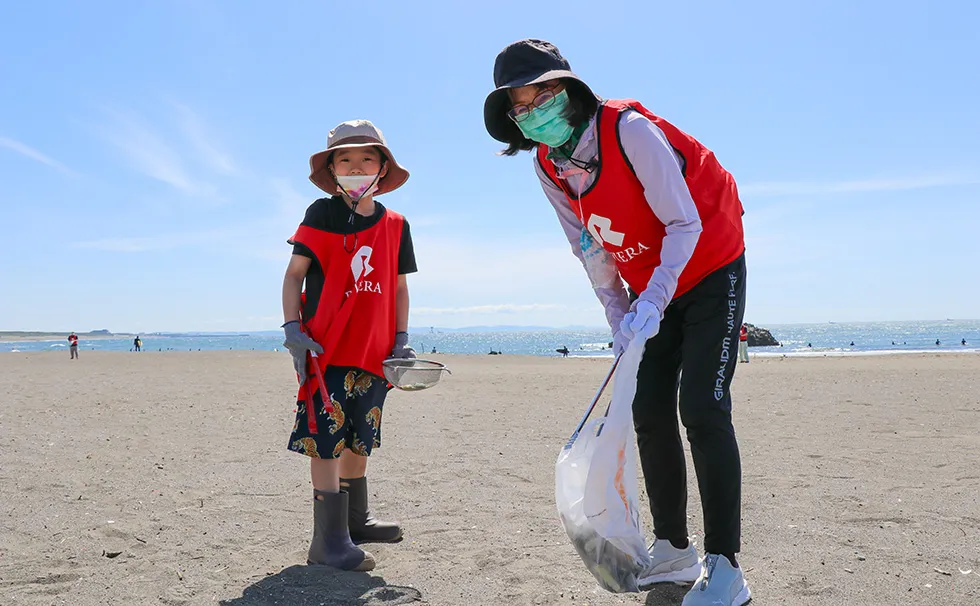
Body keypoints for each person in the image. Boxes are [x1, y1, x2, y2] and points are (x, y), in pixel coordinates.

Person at [484, 39, 750, 605]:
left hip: (709, 263)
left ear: (566, 89)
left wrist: (652, 300)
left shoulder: (628, 130)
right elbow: (590, 249)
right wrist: (619, 315)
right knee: (648, 410)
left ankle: (726, 567)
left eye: (539, 97)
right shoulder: (549, 165)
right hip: (649, 284)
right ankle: (674, 548)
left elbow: (684, 223)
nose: (530, 114)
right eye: (518, 106)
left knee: (702, 407)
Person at [281, 119, 418, 572]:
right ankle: (328, 540)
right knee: (326, 442)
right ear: (332, 169)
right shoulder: (320, 214)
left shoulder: (397, 225)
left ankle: (356, 522)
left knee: (361, 438)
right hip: (326, 352)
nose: (356, 166)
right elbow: (294, 275)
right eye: (345, 159)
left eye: (366, 158)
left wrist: (400, 338)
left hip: (375, 355)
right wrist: (292, 329)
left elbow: (398, 288)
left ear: (382, 167)